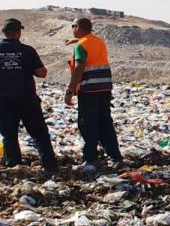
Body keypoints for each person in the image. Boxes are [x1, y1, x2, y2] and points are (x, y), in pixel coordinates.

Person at [0, 18, 59, 173]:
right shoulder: (28, 50)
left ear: (4, 32)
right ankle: (50, 165)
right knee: (39, 133)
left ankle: (14, 165)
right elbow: (42, 73)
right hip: (27, 99)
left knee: (9, 134)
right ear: (18, 33)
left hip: (3, 100)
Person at [65, 17, 123, 169]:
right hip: (104, 87)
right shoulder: (98, 41)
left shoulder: (81, 45)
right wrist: (75, 42)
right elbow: (89, 47)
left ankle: (90, 158)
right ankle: (115, 156)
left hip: (89, 89)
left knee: (87, 123)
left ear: (78, 27)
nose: (72, 29)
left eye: (73, 26)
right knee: (105, 122)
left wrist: (70, 90)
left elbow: (79, 67)